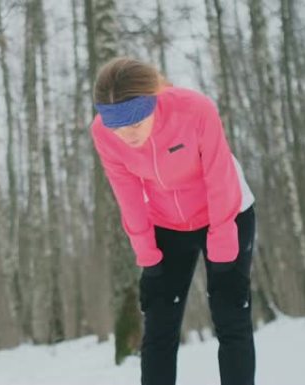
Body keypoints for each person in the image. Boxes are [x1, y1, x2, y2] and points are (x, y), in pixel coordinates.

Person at [90, 57, 256, 385]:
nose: (127, 134)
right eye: (117, 126)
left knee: (230, 316)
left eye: (135, 123)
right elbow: (129, 196)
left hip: (226, 213)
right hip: (167, 223)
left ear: (153, 102)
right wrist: (147, 257)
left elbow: (220, 177)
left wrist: (224, 249)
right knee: (159, 327)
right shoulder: (104, 134)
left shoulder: (195, 110)